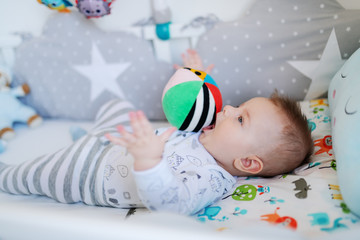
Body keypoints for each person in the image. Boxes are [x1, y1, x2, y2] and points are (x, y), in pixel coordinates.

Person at [0, 50, 313, 215]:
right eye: (237, 106)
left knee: (35, 175)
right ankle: (89, 135)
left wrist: (150, 160)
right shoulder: (212, 134)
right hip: (117, 141)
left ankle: (7, 175)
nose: (228, 109)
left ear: (247, 163)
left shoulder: (211, 179)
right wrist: (197, 75)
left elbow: (171, 202)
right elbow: (193, 103)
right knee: (119, 105)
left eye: (241, 119)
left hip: (91, 174)